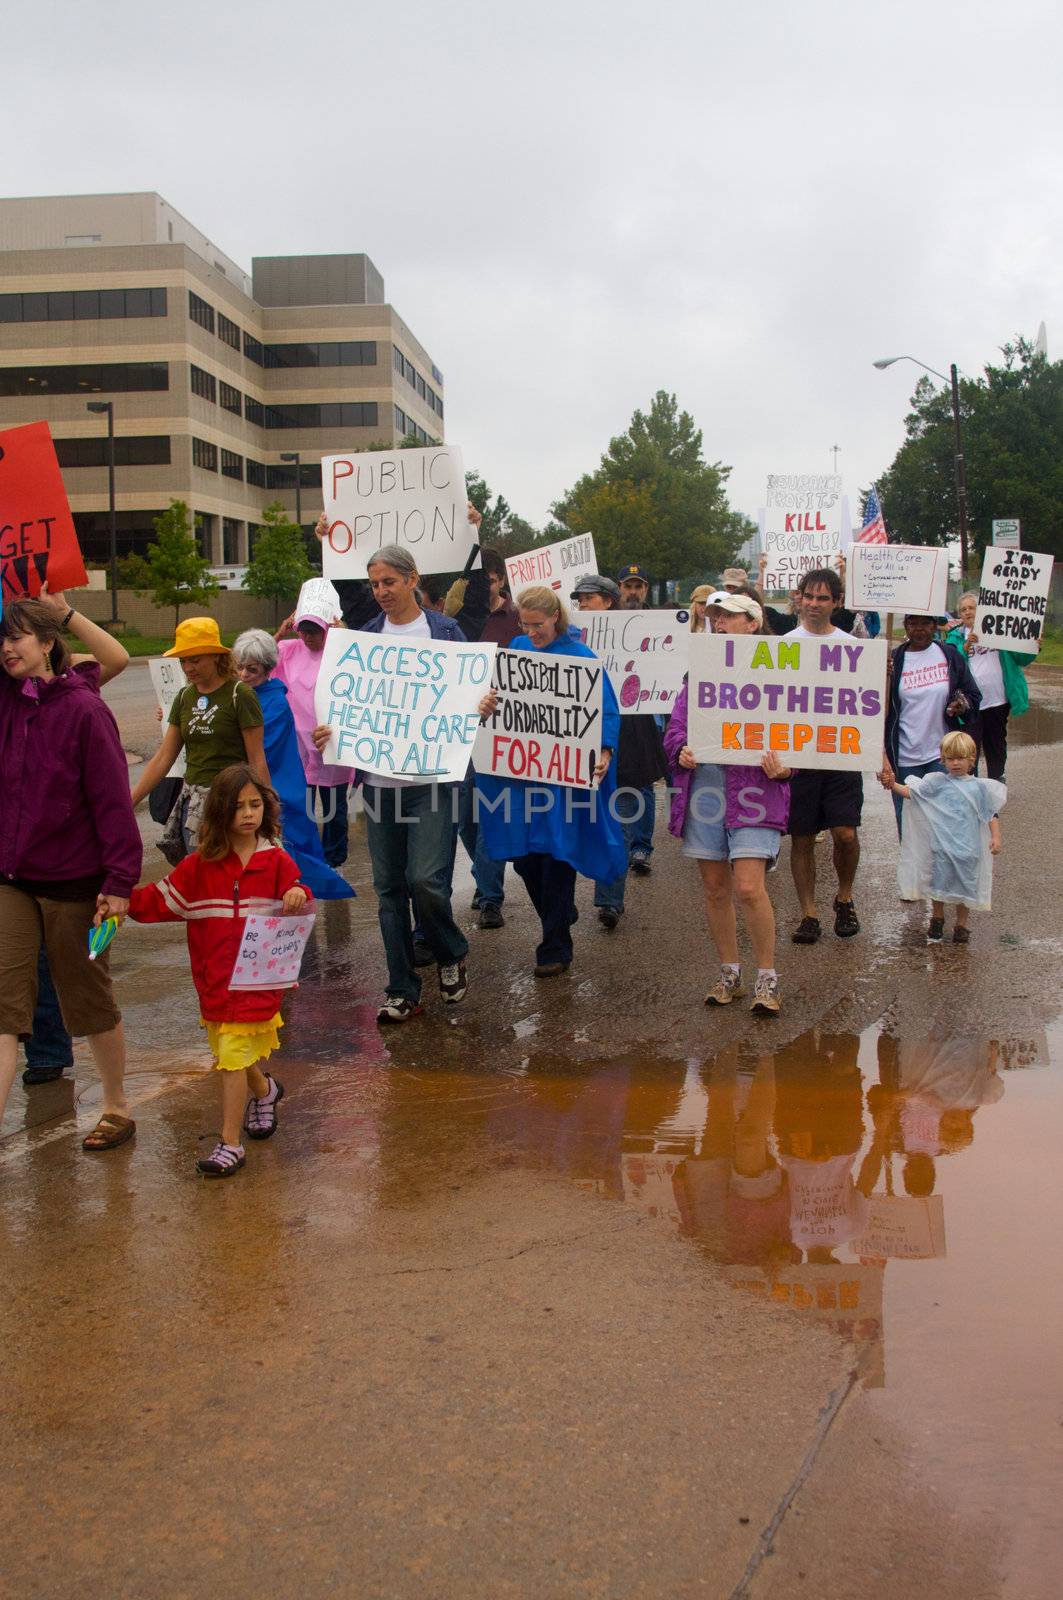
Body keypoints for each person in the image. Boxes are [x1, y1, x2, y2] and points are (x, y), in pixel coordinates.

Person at [0, 598, 142, 1150]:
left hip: (77, 884)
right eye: (2, 640)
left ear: (45, 644)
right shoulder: (6, 701)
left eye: (17, 638)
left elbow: (111, 804)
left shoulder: (83, 708)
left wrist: (119, 884)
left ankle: (116, 1106)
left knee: (86, 999)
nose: (8, 649)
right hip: (12, 879)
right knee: (6, 1006)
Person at [312, 544, 471, 1024]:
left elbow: (471, 689)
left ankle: (450, 950)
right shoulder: (364, 640)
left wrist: (480, 705)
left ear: (412, 579)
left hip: (432, 780)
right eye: (374, 584)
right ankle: (402, 987)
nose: (381, 592)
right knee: (388, 889)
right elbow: (348, 703)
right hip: (380, 783)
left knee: (425, 880)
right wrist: (331, 731)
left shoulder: (445, 632)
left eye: (389, 582)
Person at [128, 765, 309, 1176]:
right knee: (231, 1051)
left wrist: (297, 892)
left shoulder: (277, 862)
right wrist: (120, 903)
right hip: (214, 983)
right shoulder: (198, 867)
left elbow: (297, 890)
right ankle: (265, 1091)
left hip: (257, 983)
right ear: (219, 812)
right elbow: (159, 900)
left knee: (230, 1057)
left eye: (255, 804)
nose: (248, 814)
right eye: (238, 806)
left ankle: (229, 1143)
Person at [476, 585, 625, 977]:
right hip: (522, 778)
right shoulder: (516, 651)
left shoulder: (581, 658)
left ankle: (554, 947)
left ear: (555, 617)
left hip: (562, 781)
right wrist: (486, 704)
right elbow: (493, 701)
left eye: (537, 624)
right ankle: (560, 914)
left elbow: (606, 710)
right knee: (525, 859)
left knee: (556, 855)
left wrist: (605, 750)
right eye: (525, 623)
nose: (532, 631)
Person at [664, 593, 791, 1015]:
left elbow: (805, 732)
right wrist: (680, 749)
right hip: (707, 789)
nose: (718, 623)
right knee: (716, 888)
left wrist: (788, 768)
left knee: (749, 887)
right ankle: (729, 973)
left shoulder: (783, 672)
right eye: (714, 617)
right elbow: (677, 726)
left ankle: (767, 978)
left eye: (728, 617)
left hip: (756, 789)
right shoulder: (698, 671)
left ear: (752, 623)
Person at [571, 574, 669, 928]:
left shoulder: (640, 633)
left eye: (590, 598)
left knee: (619, 824)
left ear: (608, 601)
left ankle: (610, 900)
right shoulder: (570, 638)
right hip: (580, 736)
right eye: (578, 599)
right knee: (581, 824)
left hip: (628, 736)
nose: (582, 604)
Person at [231, 629, 355, 900]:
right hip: (258, 784)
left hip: (277, 786)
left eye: (251, 669)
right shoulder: (241, 694)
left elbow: (261, 751)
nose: (243, 675)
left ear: (266, 669)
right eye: (239, 668)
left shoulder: (275, 701)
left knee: (287, 852)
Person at [130, 617, 268, 856]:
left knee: (231, 878)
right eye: (183, 661)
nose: (188, 668)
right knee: (199, 882)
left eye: (195, 660)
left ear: (216, 656)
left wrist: (266, 811)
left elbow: (257, 758)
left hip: (232, 803)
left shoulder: (240, 694)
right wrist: (129, 801)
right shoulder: (184, 697)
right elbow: (164, 757)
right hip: (192, 805)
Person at [784, 568, 864, 944]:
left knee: (845, 833)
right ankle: (808, 913)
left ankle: (844, 897)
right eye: (809, 597)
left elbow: (868, 706)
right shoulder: (783, 645)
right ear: (799, 598)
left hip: (841, 754)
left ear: (837, 602)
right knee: (801, 837)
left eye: (823, 598)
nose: (815, 605)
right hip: (799, 758)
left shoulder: (852, 647)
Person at [443, 545, 521, 928]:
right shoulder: (456, 620)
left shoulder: (519, 620)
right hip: (463, 728)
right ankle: (483, 875)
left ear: (501, 581)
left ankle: (490, 896)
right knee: (464, 818)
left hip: (505, 730)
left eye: (489, 580)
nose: (483, 586)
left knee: (491, 812)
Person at [884, 731, 1004, 945]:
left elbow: (990, 814)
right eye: (950, 759)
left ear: (972, 759)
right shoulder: (936, 783)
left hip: (969, 848)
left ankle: (962, 924)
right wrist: (892, 784)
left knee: (966, 885)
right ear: (943, 760)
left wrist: (995, 837)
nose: (956, 763)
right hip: (942, 846)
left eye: (960, 758)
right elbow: (913, 793)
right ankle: (937, 917)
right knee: (939, 882)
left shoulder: (979, 788)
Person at [881, 611, 981, 835]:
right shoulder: (893, 660)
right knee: (910, 829)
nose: (919, 628)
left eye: (925, 623)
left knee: (947, 824)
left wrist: (961, 705)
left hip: (943, 757)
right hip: (905, 758)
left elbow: (973, 694)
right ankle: (915, 871)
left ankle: (943, 871)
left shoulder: (949, 656)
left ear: (935, 625)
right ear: (905, 626)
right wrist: (881, 677)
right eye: (913, 623)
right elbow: (878, 708)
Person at [274, 600, 354, 867]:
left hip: (331, 743)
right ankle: (302, 860)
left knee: (334, 808)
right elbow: (255, 661)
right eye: (304, 631)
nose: (308, 637)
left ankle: (334, 860)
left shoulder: (340, 651)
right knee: (299, 806)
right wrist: (280, 632)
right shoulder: (288, 650)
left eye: (314, 631)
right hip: (298, 745)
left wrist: (342, 633)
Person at [946, 592, 1032, 781]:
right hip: (971, 704)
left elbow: (1021, 659)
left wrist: (1033, 645)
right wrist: (965, 647)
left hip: (998, 699)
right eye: (963, 609)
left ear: (981, 610)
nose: (968, 612)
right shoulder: (955, 638)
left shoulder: (999, 630)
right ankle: (971, 786)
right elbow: (952, 666)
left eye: (972, 607)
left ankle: (996, 782)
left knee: (997, 745)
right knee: (970, 747)